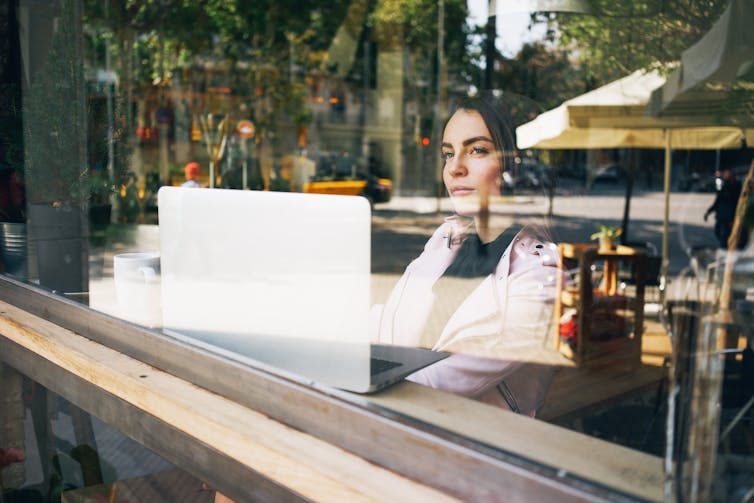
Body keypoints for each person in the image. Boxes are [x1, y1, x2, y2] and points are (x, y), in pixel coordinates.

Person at [371, 94, 561, 417]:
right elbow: (388, 324)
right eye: (448, 153)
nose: (455, 168)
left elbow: (444, 382)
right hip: (400, 421)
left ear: (513, 164)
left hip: (473, 448)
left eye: (476, 150)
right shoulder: (446, 240)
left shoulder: (539, 273)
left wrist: (368, 386)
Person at [705, 168, 748, 249]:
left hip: (729, 218)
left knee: (725, 238)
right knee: (718, 233)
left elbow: (738, 204)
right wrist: (708, 212)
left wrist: (734, 218)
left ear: (731, 175)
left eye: (726, 174)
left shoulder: (737, 188)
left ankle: (726, 252)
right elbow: (718, 201)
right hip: (721, 217)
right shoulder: (724, 186)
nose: (724, 175)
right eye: (724, 174)